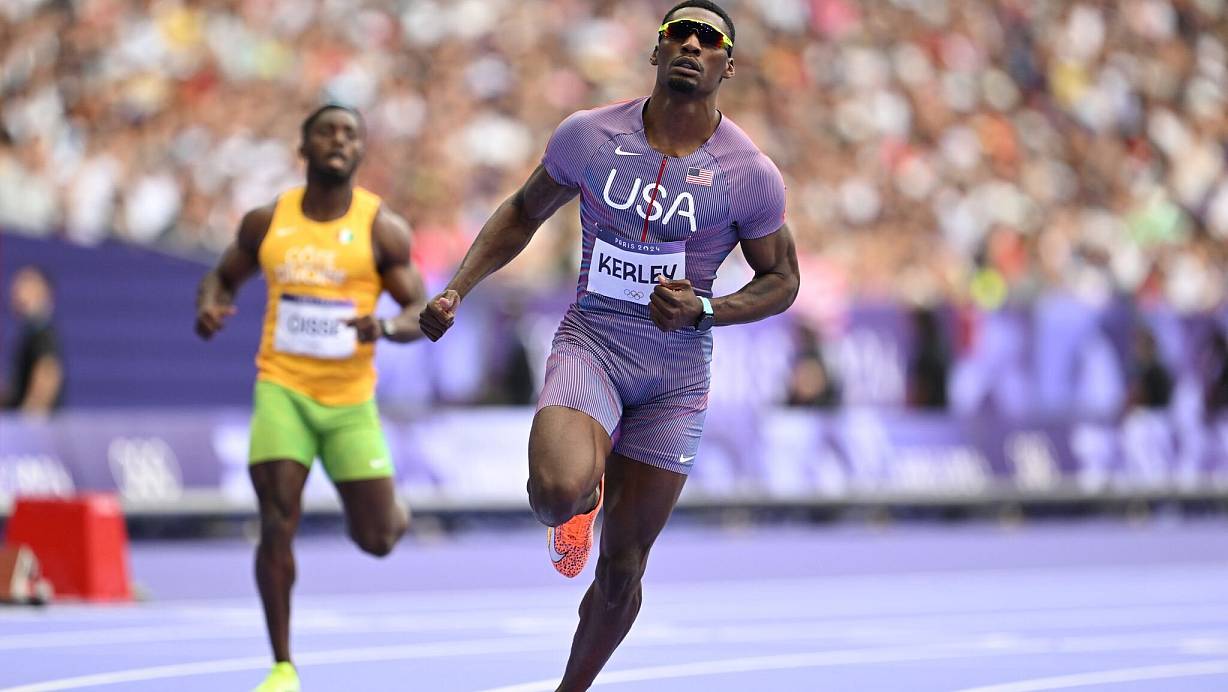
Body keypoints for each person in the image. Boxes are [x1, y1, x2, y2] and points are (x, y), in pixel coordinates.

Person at [419, 2, 799, 688]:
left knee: (622, 571)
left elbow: (783, 280)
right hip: (592, 344)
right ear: (655, 52)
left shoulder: (748, 173)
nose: (691, 45)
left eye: (708, 39)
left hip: (675, 378)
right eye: (677, 34)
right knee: (554, 493)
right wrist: (457, 288)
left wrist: (705, 309)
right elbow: (522, 211)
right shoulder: (589, 136)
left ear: (728, 65)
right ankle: (581, 503)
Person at [195, 104, 425, 692]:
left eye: (350, 133)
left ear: (361, 151)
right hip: (283, 389)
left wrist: (385, 327)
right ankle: (282, 665)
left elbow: (419, 308)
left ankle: (392, 510)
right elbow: (222, 276)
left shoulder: (382, 228)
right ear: (303, 147)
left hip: (350, 401)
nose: (338, 141)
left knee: (377, 539)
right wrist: (210, 305)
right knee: (276, 522)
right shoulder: (267, 221)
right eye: (326, 131)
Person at [4, 265, 64, 414]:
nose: (16, 290)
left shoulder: (41, 330)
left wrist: (30, 417)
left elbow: (48, 374)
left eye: (25, 284)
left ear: (41, 291)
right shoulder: (30, 330)